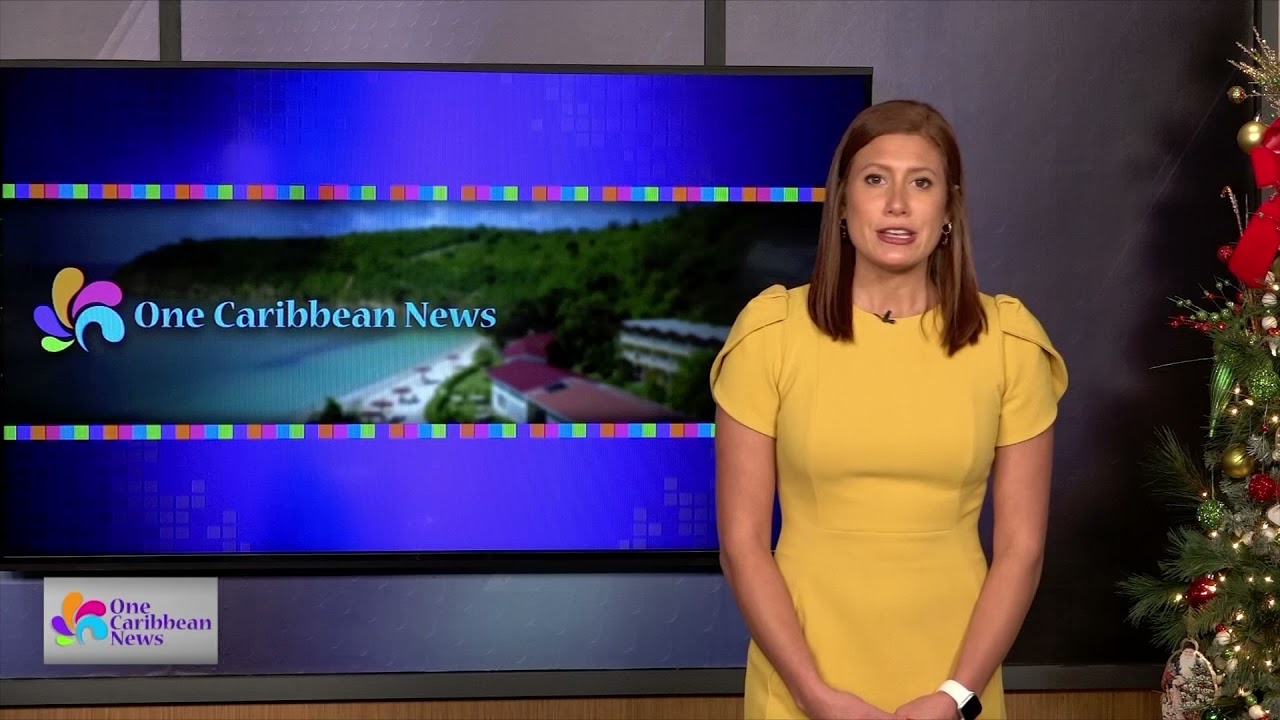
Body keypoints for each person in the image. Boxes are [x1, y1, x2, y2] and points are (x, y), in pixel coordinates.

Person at [709, 99, 1068, 720]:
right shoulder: (770, 334)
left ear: (948, 209)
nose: (897, 203)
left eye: (921, 183)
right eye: (876, 179)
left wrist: (955, 696)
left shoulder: (1009, 343)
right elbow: (741, 543)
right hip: (801, 680)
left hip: (954, 681)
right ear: (842, 203)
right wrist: (814, 695)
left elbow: (1021, 549)